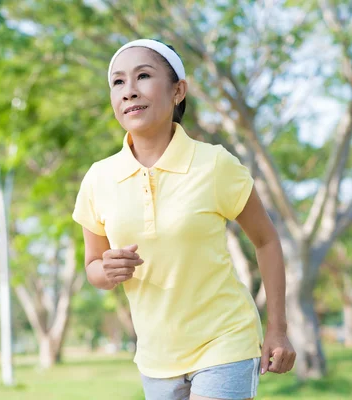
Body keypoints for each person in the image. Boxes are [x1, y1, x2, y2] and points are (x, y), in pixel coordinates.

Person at [72, 39, 296, 400]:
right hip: (155, 357)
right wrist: (107, 271)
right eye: (118, 82)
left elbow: (267, 241)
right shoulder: (99, 179)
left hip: (225, 340)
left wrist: (278, 329)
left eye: (143, 76)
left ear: (178, 90)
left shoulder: (215, 164)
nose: (129, 91)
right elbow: (93, 268)